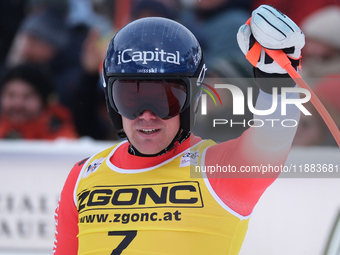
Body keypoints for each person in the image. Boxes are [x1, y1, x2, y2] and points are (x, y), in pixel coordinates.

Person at [52, 5, 304, 254]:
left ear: (192, 99)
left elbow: (271, 139)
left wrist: (277, 78)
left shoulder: (219, 171)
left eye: (166, 100)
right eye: (131, 99)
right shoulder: (83, 175)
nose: (147, 115)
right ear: (111, 101)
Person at [0, 63, 77, 140]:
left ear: (43, 101)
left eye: (27, 96)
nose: (18, 104)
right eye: (11, 95)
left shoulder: (62, 139)